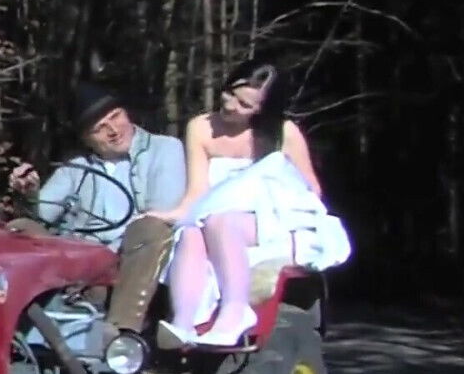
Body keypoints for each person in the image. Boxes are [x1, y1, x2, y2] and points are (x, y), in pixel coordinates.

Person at [146, 59, 351, 348]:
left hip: (275, 216)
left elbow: (310, 190)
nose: (231, 105)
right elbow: (197, 193)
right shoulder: (201, 128)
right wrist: (167, 215)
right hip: (213, 215)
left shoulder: (284, 132)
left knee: (220, 220)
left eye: (245, 105)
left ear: (263, 110)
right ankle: (183, 323)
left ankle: (234, 310)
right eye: (230, 93)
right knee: (191, 232)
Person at [8, 81, 186, 333]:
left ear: (126, 113)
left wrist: (104, 258)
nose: (113, 130)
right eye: (100, 128)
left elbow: (165, 210)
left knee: (152, 229)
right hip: (79, 255)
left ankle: (120, 332)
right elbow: (42, 216)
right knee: (20, 227)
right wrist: (28, 193)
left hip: (131, 253)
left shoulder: (164, 148)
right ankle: (20, 323)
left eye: (116, 116)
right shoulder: (77, 166)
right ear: (86, 139)